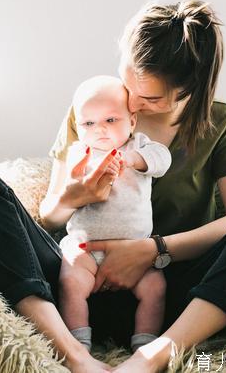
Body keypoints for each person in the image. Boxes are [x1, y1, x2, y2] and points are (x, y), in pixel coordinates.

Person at [0, 0, 226, 373]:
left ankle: (153, 356)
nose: (132, 102)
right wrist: (73, 197)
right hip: (75, 281)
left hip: (166, 295)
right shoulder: (95, 107)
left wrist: (152, 251)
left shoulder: (220, 121)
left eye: (150, 98)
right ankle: (71, 353)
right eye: (128, 80)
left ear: (188, 90)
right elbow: (50, 219)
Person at [58, 75, 171, 354]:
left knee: (156, 288)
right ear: (77, 126)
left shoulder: (138, 147)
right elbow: (69, 183)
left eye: (111, 120)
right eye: (89, 123)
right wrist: (82, 169)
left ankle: (144, 346)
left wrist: (134, 159)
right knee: (69, 283)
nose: (100, 130)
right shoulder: (79, 152)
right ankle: (78, 345)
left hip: (136, 250)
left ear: (132, 121)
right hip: (86, 249)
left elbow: (162, 159)